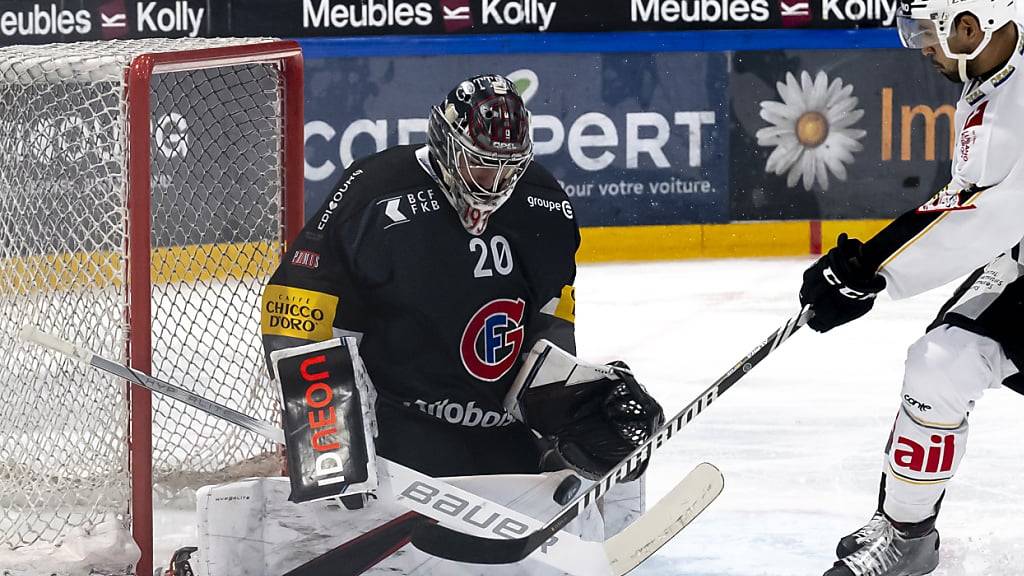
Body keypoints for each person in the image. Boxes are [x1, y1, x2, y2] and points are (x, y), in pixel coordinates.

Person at [261, 73, 662, 488]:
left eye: (506, 168)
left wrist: (570, 409)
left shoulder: (545, 206)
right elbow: (295, 307)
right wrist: (327, 440)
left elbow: (550, 325)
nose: (493, 183)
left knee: (602, 445)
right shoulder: (373, 192)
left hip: (500, 431)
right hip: (398, 432)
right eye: (480, 164)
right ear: (447, 146)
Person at [798, 1, 1023, 574]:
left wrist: (870, 268)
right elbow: (976, 198)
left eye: (928, 32)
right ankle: (906, 533)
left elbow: (991, 210)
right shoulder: (995, 79)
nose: (921, 45)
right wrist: (868, 266)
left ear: (970, 26)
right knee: (941, 363)